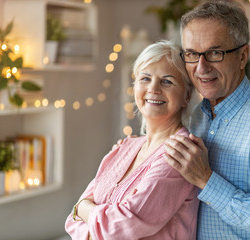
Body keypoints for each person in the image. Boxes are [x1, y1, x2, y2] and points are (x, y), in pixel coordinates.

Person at [163, 0, 250, 239]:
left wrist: (206, 180)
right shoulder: (198, 115)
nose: (200, 67)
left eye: (214, 53)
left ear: (242, 56)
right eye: (191, 54)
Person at [65, 40, 199, 240]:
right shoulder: (126, 146)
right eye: (145, 78)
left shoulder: (178, 154)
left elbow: (118, 228)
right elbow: (71, 221)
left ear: (187, 95)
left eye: (167, 81)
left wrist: (84, 208)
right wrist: (88, 217)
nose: (153, 88)